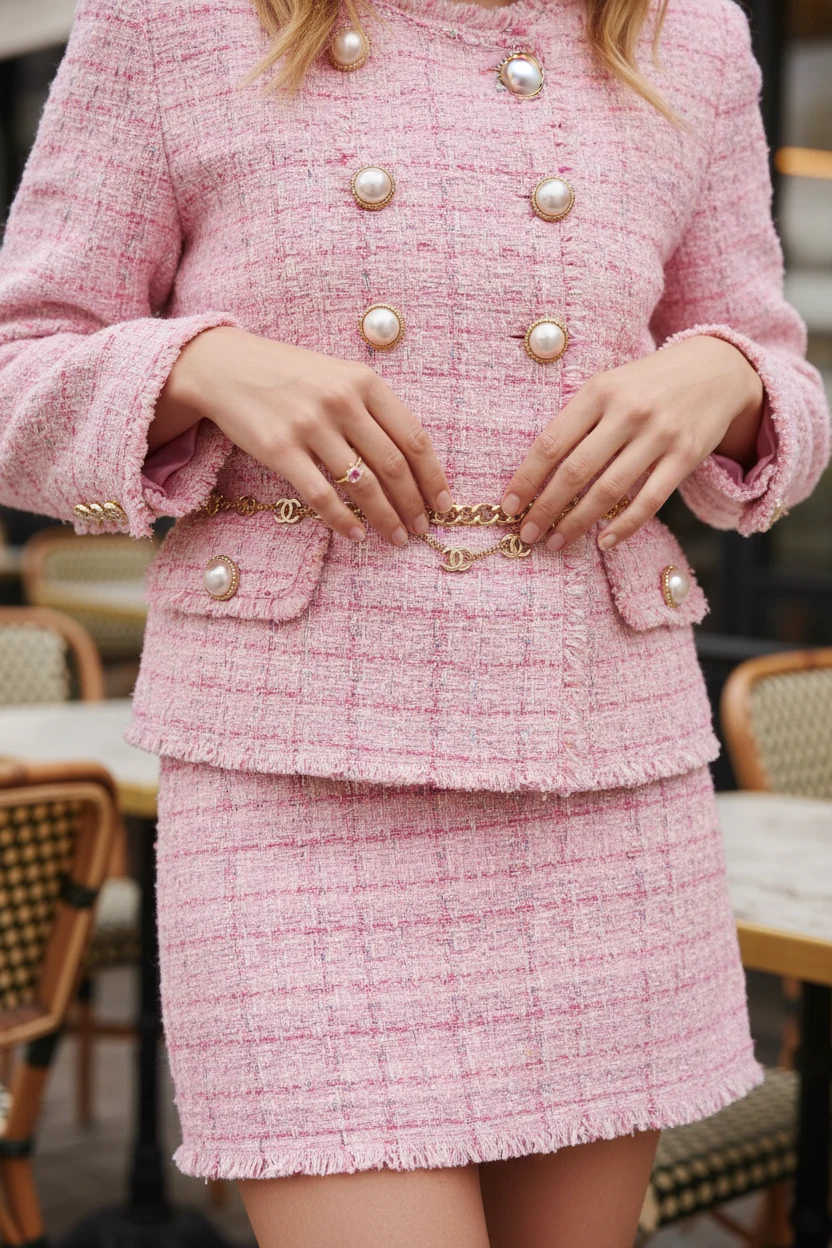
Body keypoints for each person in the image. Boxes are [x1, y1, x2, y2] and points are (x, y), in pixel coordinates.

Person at [0, 0, 828, 1241]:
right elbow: (16, 369)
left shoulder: (683, 32)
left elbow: (781, 377)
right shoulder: (171, 19)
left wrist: (725, 376)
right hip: (298, 774)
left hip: (593, 765)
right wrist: (203, 367)